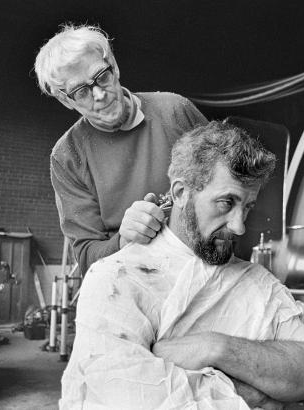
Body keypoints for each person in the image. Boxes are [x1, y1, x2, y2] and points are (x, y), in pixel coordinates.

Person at [60, 121, 304, 409]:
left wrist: (215, 347)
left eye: (247, 207)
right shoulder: (116, 279)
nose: (239, 227)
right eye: (226, 202)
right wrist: (260, 397)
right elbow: (130, 400)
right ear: (180, 193)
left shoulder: (258, 282)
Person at [34, 24, 208, 275]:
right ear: (65, 100)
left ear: (114, 66)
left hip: (200, 268)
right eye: (81, 91)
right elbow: (86, 259)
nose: (99, 95)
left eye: (102, 76)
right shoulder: (67, 156)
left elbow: (228, 184)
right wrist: (125, 239)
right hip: (128, 282)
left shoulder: (175, 111)